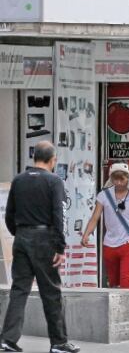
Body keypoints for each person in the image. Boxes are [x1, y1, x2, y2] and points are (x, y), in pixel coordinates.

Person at [1, 141, 81, 353]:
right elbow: (59, 215)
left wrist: (19, 233)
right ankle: (59, 342)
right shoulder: (54, 181)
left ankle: (7, 340)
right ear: (53, 160)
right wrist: (60, 247)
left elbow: (9, 214)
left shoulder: (18, 180)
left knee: (19, 290)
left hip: (21, 237)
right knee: (51, 291)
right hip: (44, 238)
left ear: (34, 157)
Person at [80, 163, 129, 289]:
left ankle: (125, 303)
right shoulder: (104, 195)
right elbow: (95, 217)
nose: (118, 183)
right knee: (113, 283)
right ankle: (115, 301)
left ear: (128, 177)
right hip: (109, 244)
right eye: (115, 179)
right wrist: (86, 234)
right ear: (110, 179)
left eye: (122, 179)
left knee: (126, 280)